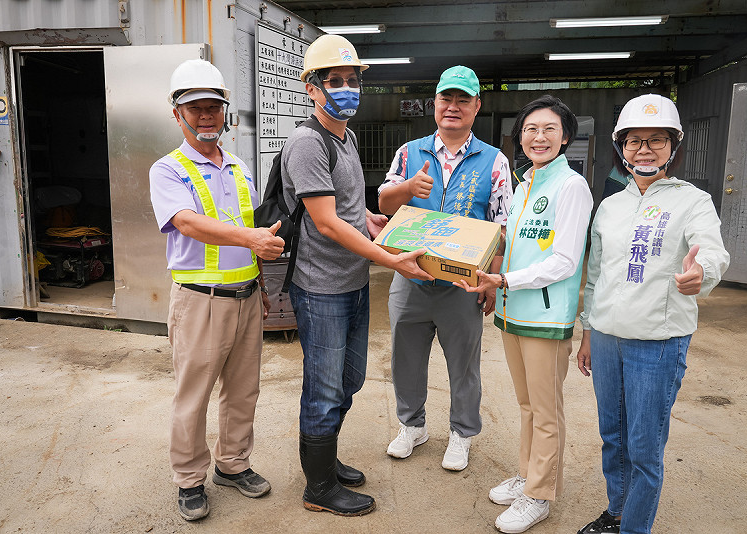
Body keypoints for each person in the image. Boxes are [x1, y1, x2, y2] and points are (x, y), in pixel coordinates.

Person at [281, 34, 432, 517]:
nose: (347, 88)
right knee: (324, 388)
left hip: (352, 283)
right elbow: (323, 221)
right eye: (335, 81)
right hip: (322, 287)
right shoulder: (308, 141)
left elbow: (341, 207)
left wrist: (368, 217)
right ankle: (318, 488)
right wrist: (388, 259)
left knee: (348, 381)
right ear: (312, 88)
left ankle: (326, 461)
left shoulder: (344, 137)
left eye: (352, 80)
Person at [575, 94, 730, 534]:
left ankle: (634, 528)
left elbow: (713, 250)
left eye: (656, 140)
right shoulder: (610, 205)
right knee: (612, 436)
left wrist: (703, 272)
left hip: (657, 343)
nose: (644, 150)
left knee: (644, 446)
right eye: (634, 141)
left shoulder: (692, 201)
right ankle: (617, 510)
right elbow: (596, 274)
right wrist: (588, 331)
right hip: (606, 338)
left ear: (673, 146)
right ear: (621, 148)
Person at [149, 59, 285, 521]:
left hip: (246, 297)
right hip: (199, 300)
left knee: (243, 392)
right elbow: (186, 222)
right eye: (196, 108)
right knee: (194, 395)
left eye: (214, 107)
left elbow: (249, 229)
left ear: (226, 113)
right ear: (177, 113)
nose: (207, 116)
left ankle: (233, 465)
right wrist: (251, 239)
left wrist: (261, 284)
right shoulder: (168, 170)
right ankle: (189, 478)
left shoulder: (240, 168)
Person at [455, 95, 593, 532]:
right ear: (521, 137)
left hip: (546, 319)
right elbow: (507, 242)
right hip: (515, 314)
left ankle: (539, 494)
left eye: (550, 129)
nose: (539, 137)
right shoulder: (525, 184)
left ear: (565, 137)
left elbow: (565, 261)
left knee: (547, 410)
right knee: (528, 405)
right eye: (531, 129)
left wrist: (505, 282)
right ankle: (528, 475)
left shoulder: (570, 186)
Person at [378, 65, 512, 472]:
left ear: (476, 106)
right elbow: (385, 206)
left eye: (462, 100)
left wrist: (493, 279)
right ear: (434, 103)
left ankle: (461, 433)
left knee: (463, 363)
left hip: (463, 283)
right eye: (446, 98)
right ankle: (412, 426)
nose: (453, 107)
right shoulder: (409, 152)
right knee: (406, 357)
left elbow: (501, 225)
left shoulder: (494, 160)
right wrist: (405, 189)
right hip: (410, 274)